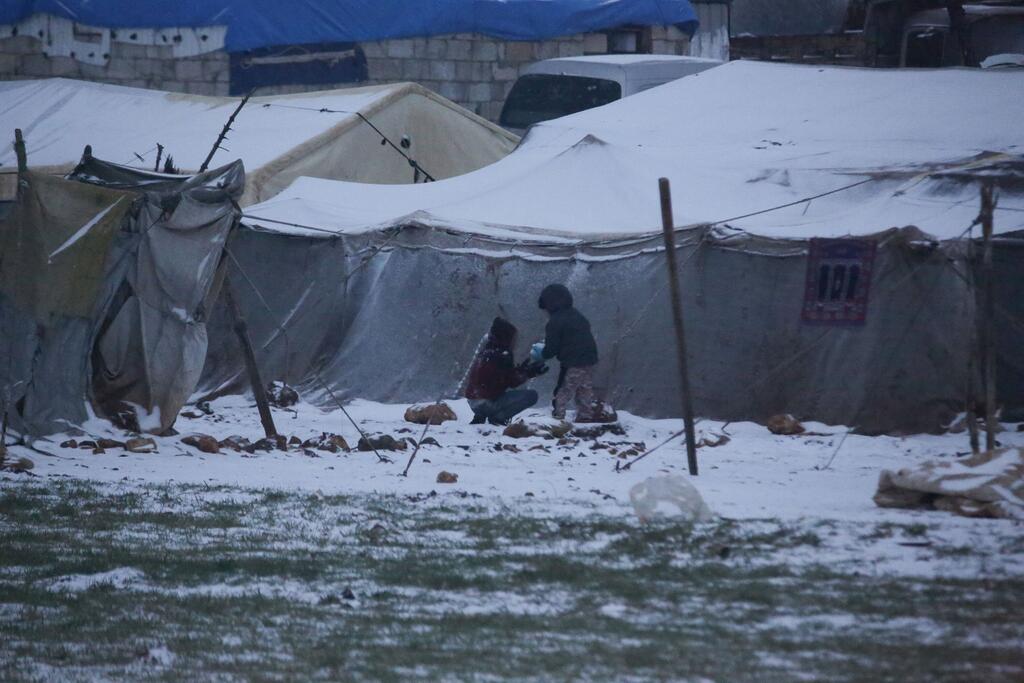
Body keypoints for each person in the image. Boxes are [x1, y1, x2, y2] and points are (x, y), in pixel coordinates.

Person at [464, 317, 547, 425]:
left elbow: (498, 377)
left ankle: (481, 415)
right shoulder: (502, 355)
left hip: (473, 402)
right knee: (531, 395)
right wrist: (528, 373)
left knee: (496, 393)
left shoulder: (487, 352)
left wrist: (522, 370)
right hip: (486, 402)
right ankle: (498, 418)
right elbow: (511, 381)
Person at [538, 284, 599, 421]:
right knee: (584, 389)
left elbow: (551, 348)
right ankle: (585, 417)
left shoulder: (555, 321)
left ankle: (557, 418)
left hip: (572, 361)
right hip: (589, 360)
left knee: (564, 390)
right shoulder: (577, 315)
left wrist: (542, 354)